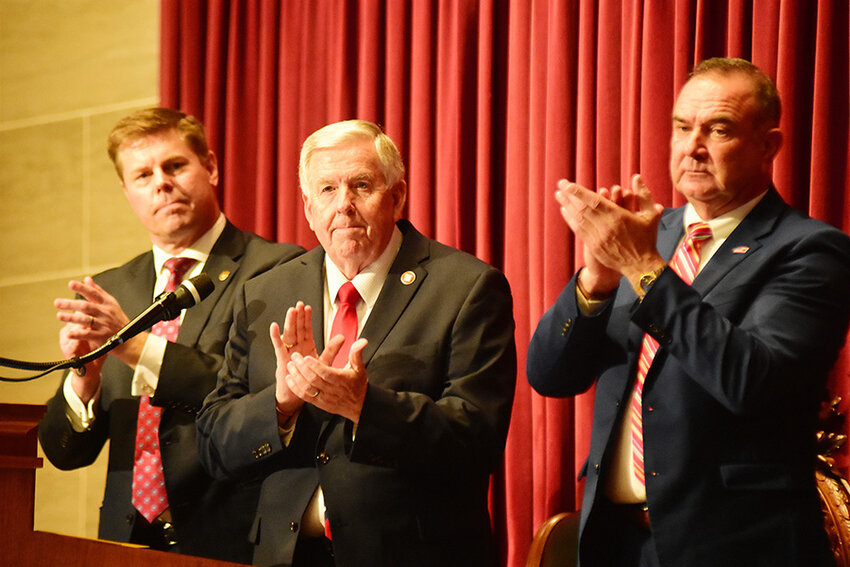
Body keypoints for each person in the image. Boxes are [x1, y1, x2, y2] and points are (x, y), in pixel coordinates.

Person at [527, 57, 850, 567]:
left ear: (769, 146)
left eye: (717, 130)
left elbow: (751, 380)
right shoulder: (648, 234)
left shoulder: (810, 250)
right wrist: (597, 279)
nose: (692, 147)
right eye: (682, 127)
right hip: (616, 542)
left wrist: (640, 265)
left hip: (735, 547)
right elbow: (549, 375)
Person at [196, 119, 516, 567]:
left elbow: (476, 439)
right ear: (308, 208)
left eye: (361, 185)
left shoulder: (466, 287)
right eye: (326, 190)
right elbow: (213, 442)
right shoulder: (265, 293)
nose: (343, 205)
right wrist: (281, 404)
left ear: (397, 196)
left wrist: (365, 406)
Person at [38, 108, 305, 562]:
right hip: (124, 544)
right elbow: (66, 454)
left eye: (174, 166)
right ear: (127, 192)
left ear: (211, 167)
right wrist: (85, 380)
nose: (161, 182)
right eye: (142, 175)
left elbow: (256, 396)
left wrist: (134, 345)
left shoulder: (275, 270)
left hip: (232, 541)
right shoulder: (111, 289)